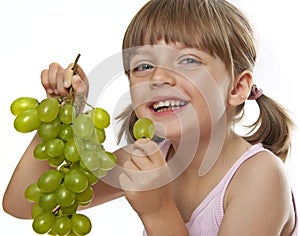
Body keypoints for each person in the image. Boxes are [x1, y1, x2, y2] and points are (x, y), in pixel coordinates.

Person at [2, 0, 298, 235]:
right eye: (143, 65)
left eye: (188, 60)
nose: (158, 77)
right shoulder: (149, 156)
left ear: (237, 87)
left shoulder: (260, 175)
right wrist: (59, 115)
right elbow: (22, 204)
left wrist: (158, 211)